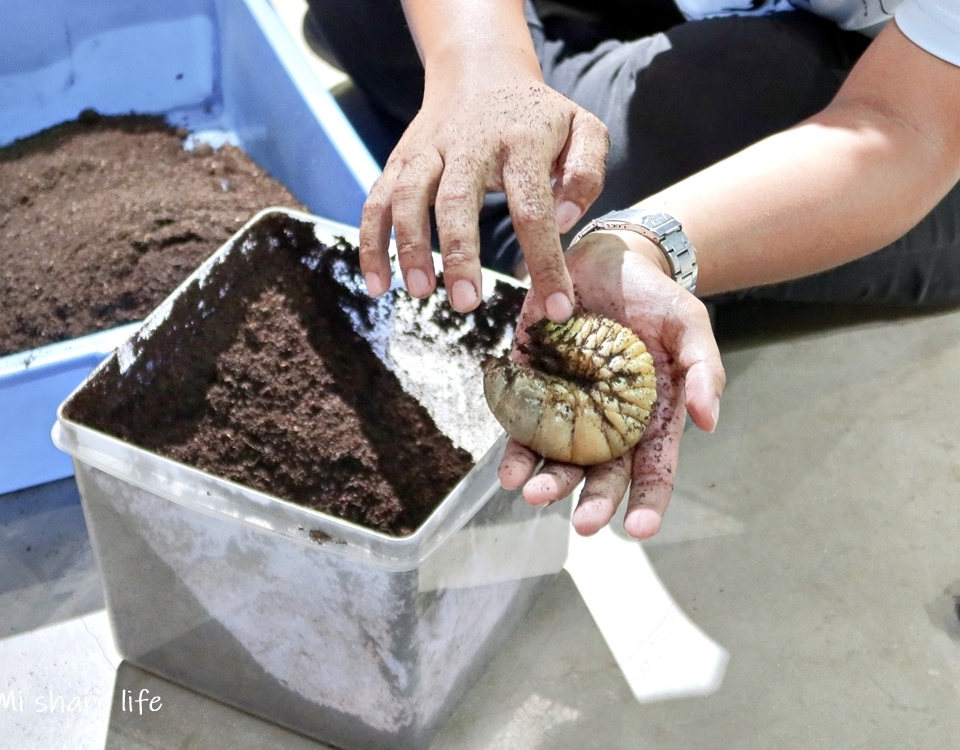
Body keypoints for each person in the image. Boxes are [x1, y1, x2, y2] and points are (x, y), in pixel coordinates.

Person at [304, 0, 960, 539]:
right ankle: (512, 175)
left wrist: (648, 240)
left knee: (725, 89)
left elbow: (901, 129)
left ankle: (507, 194)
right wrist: (482, 69)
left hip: (920, 114)